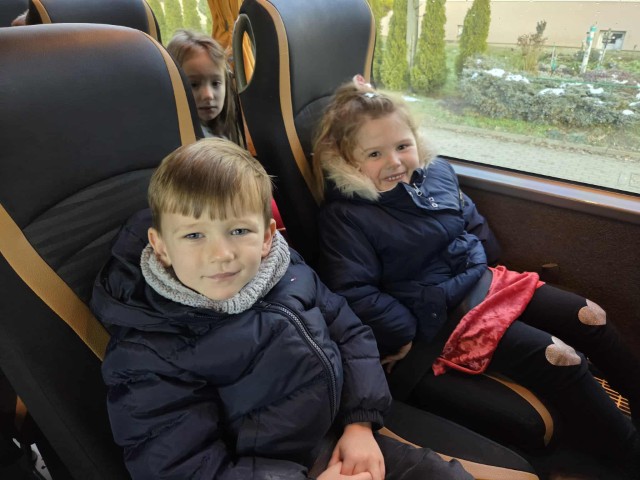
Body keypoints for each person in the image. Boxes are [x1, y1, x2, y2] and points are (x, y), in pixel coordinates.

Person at [312, 78, 640, 477]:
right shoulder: (346, 216)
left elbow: (470, 221)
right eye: (375, 154)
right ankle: (628, 453)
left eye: (402, 146)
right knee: (560, 358)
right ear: (348, 161)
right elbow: (355, 291)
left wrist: (484, 254)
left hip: (482, 282)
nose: (395, 162)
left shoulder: (437, 174)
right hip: (436, 317)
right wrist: (406, 333)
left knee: (590, 316)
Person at [90, 138, 472, 479]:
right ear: (160, 247)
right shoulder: (148, 350)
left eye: (238, 231)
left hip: (343, 432)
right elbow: (183, 468)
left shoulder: (289, 272)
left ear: (267, 236)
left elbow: (351, 333)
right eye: (194, 235)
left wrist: (360, 422)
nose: (221, 254)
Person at [167, 30, 244, 145]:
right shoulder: (177, 142)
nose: (208, 95)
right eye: (193, 84)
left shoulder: (226, 131)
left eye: (215, 83)